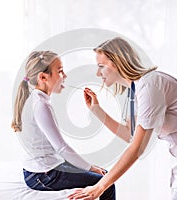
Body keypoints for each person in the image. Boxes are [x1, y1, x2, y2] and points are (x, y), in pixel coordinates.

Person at [68, 37, 177, 200]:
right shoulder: (135, 90)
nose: (98, 73)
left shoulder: (150, 85)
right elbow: (129, 135)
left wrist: (100, 186)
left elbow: (137, 148)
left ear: (117, 63)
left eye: (101, 66)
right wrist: (97, 110)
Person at [11, 50, 115, 200]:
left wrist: (89, 168)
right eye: (60, 71)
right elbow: (62, 147)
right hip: (43, 175)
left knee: (105, 174)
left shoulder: (36, 99)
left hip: (44, 169)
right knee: (106, 183)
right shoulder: (40, 104)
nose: (65, 75)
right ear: (43, 77)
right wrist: (90, 168)